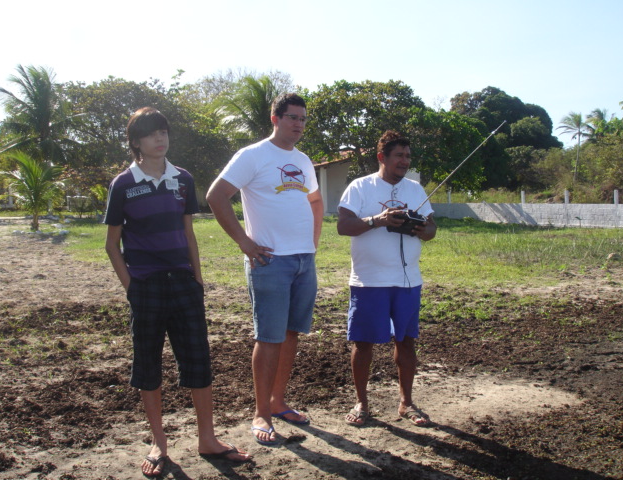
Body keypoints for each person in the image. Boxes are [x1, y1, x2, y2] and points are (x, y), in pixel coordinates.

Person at [104, 107, 250, 477]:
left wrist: (197, 279)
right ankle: (159, 443)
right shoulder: (123, 184)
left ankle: (207, 439)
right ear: (136, 142)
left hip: (184, 284)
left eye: (164, 132)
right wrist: (132, 287)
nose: (160, 139)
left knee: (198, 361)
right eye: (152, 134)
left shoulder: (183, 179)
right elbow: (112, 244)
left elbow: (188, 234)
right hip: (147, 287)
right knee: (148, 365)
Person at [206, 93, 323, 446]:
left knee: (290, 334)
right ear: (275, 118)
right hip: (269, 261)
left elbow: (315, 201)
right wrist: (244, 241)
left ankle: (278, 402)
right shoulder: (252, 155)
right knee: (268, 337)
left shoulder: (303, 161)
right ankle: (260, 413)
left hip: (303, 260)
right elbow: (216, 196)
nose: (298, 124)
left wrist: (312, 242)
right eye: (291, 117)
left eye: (302, 118)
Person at [337, 130, 437, 427]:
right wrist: (377, 220)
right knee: (363, 343)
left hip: (408, 281)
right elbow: (344, 226)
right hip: (369, 281)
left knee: (406, 342)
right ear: (382, 157)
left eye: (407, 156)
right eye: (399, 156)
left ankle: (407, 402)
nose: (404, 161)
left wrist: (420, 228)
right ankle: (361, 403)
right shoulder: (360, 187)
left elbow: (432, 230)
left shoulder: (416, 190)